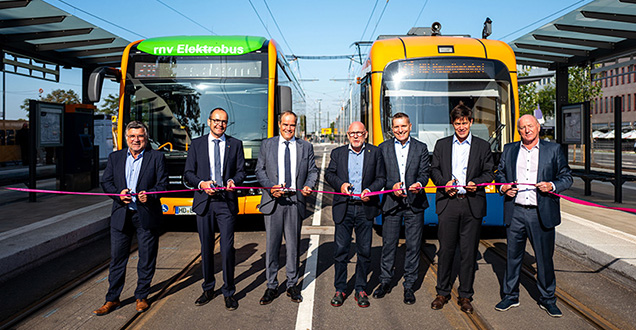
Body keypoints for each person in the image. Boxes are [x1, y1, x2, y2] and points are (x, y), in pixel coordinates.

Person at [494, 114, 572, 317]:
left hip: (541, 212)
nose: (526, 130)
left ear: (538, 127)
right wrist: (503, 187)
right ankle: (510, 296)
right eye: (522, 127)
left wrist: (552, 185)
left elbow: (567, 177)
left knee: (544, 259)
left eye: (530, 126)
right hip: (516, 211)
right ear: (518, 130)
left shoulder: (553, 149)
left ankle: (548, 299)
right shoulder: (510, 150)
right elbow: (499, 174)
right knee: (512, 257)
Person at [93, 121, 167, 316]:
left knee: (146, 257)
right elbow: (106, 182)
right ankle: (112, 299)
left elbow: (163, 185)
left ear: (146, 137)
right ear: (126, 138)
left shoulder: (157, 157)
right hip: (121, 215)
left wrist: (149, 195)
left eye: (140, 136)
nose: (136, 140)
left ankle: (142, 296)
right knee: (117, 259)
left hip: (146, 215)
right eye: (132, 136)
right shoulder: (115, 157)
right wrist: (118, 194)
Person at [430, 103, 494, 314]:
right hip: (448, 203)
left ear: (471, 122)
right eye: (457, 123)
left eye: (464, 123)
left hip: (471, 203)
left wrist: (477, 182)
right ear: (453, 124)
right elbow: (435, 170)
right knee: (446, 250)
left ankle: (465, 295)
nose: (461, 127)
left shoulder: (483, 147)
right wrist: (443, 183)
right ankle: (442, 292)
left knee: (468, 253)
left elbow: (489, 173)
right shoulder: (441, 145)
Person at [184, 108, 246, 311]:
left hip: (225, 202)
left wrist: (232, 181)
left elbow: (241, 172)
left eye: (224, 121)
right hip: (205, 203)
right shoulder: (197, 144)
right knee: (206, 249)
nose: (220, 124)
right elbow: (188, 173)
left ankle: (229, 291)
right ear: (209, 122)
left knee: (227, 249)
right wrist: (201, 183)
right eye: (216, 121)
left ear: (227, 124)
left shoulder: (235, 144)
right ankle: (208, 288)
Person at [255, 111, 319, 305]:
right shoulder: (267, 144)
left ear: (296, 126)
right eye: (285, 124)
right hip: (273, 202)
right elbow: (260, 170)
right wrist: (269, 187)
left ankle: (292, 284)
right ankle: (271, 286)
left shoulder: (305, 146)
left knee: (293, 247)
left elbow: (312, 171)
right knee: (272, 246)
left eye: (292, 125)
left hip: (294, 202)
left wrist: (310, 185)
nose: (288, 128)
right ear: (279, 124)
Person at [324, 121, 386, 308]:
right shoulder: (338, 153)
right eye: (353, 133)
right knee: (341, 250)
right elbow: (329, 174)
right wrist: (341, 185)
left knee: (364, 251)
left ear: (366, 134)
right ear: (348, 135)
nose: (356, 136)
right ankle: (340, 288)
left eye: (360, 133)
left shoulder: (375, 153)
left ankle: (360, 289)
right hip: (344, 207)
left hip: (365, 208)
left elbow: (381, 178)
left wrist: (370, 189)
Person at [374, 112, 430, 305]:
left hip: (415, 203)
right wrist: (392, 186)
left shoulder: (421, 148)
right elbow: (380, 175)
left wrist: (419, 184)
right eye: (396, 127)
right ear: (392, 128)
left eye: (403, 126)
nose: (400, 130)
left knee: (413, 247)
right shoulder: (383, 148)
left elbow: (425, 172)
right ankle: (385, 281)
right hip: (392, 202)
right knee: (389, 245)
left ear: (410, 126)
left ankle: (409, 286)